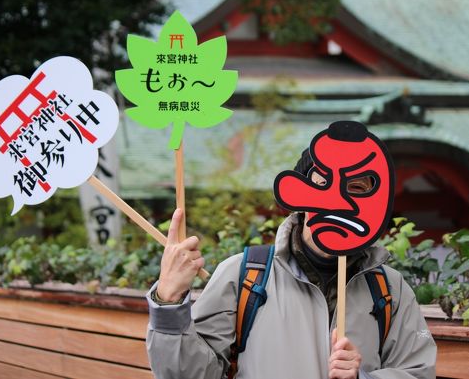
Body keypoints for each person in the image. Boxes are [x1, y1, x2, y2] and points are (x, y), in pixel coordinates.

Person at [146, 121, 437, 379]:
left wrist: (362, 377)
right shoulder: (243, 276)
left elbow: (419, 371)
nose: (339, 200)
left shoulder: (389, 290)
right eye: (322, 182)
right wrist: (168, 304)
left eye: (359, 188)